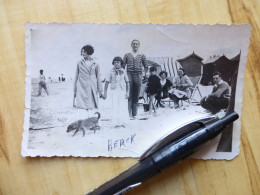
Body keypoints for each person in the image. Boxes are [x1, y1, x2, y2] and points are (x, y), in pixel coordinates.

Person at [123, 39, 148, 119]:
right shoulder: (127, 55)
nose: (135, 45)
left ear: (139, 45)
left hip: (138, 75)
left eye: (136, 44)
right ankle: (128, 114)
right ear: (131, 45)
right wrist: (123, 76)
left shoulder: (142, 55)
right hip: (129, 74)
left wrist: (143, 74)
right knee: (129, 94)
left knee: (136, 95)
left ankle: (134, 114)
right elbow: (123, 66)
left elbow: (146, 66)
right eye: (133, 44)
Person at [103, 57, 130, 128]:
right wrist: (105, 93)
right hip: (114, 91)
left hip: (122, 91)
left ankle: (122, 122)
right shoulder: (110, 72)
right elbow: (107, 82)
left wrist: (128, 92)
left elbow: (127, 82)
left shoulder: (124, 71)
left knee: (122, 106)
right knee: (115, 106)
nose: (116, 63)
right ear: (113, 63)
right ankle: (116, 123)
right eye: (115, 62)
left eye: (118, 62)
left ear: (121, 63)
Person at [74, 45, 103, 110]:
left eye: (84, 52)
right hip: (81, 88)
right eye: (82, 52)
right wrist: (75, 90)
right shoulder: (79, 63)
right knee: (82, 108)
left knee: (92, 107)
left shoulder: (95, 63)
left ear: (89, 52)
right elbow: (76, 77)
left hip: (92, 87)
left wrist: (100, 90)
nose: (82, 53)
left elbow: (98, 77)